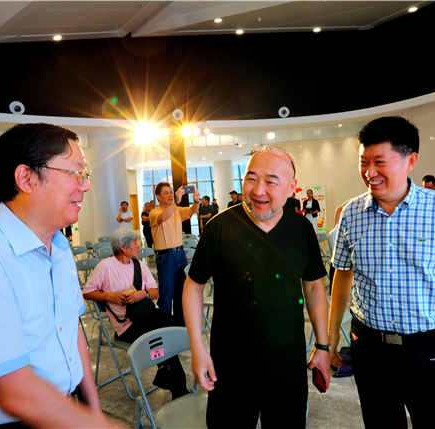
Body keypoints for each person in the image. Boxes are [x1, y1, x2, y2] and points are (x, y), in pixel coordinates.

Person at [0, 123, 126, 429]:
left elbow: (70, 330)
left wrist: (93, 410)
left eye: (85, 174)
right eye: (75, 173)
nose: (85, 186)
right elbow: (15, 394)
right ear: (26, 178)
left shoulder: (58, 248)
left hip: (61, 409)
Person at [328, 116, 435, 429]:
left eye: (380, 162)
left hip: (431, 351)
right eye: (363, 162)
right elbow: (342, 275)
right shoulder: (351, 213)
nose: (369, 173)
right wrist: (329, 340)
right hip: (371, 351)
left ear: (411, 161)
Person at [183, 147, 330, 429]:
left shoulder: (301, 229)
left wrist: (322, 346)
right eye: (250, 179)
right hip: (230, 364)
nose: (258, 190)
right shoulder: (219, 228)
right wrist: (198, 349)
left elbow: (313, 287)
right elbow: (193, 285)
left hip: (287, 362)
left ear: (291, 188)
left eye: (271, 181)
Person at [82, 229, 188, 399]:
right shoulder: (105, 266)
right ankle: (179, 389)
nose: (139, 246)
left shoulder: (139, 265)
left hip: (147, 315)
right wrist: (110, 296)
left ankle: (170, 379)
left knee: (172, 326)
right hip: (127, 326)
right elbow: (87, 292)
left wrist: (142, 294)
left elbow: (155, 292)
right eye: (135, 243)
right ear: (123, 248)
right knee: (162, 337)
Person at [149, 182, 199, 326]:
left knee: (181, 294)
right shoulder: (154, 212)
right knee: (166, 294)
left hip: (180, 254)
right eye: (166, 193)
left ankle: (179, 327)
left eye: (171, 192)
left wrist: (196, 201)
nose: (170, 195)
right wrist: (176, 200)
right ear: (158, 197)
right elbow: (163, 217)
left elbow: (191, 211)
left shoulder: (176, 209)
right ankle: (164, 328)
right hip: (166, 257)